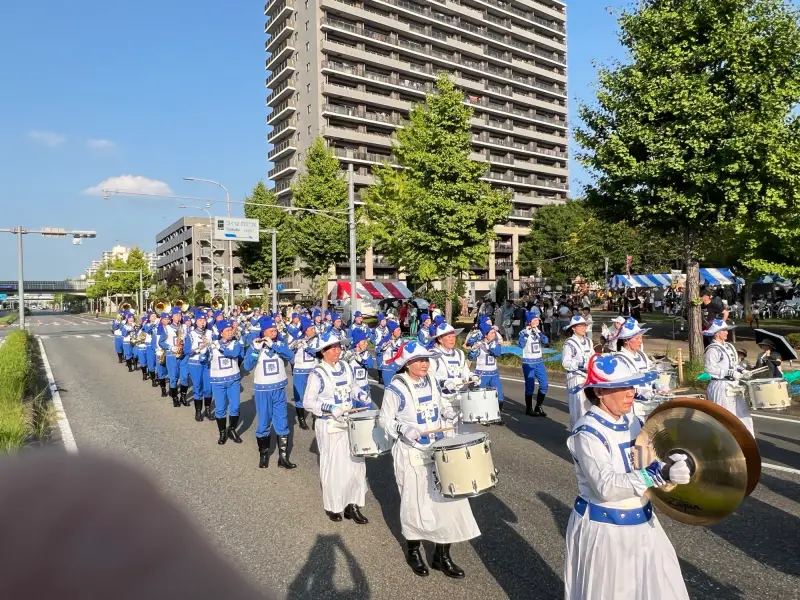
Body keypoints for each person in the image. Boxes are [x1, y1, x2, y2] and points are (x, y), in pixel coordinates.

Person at [565, 353, 691, 600]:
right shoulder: (587, 433)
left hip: (643, 521)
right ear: (599, 392)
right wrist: (657, 473)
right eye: (622, 387)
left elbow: (648, 461)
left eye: (632, 385)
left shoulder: (633, 420)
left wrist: (671, 466)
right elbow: (606, 487)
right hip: (606, 530)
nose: (630, 392)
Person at [379, 342, 480, 578]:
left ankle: (442, 556)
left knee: (448, 500)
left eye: (426, 359)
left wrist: (448, 412)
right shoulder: (396, 387)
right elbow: (384, 419)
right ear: (407, 364)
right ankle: (413, 550)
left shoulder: (432, 380)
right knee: (414, 503)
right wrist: (402, 428)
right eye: (419, 360)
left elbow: (441, 404)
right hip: (411, 452)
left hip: (437, 449)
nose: (424, 364)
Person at [302, 331, 373, 523]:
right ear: (323, 352)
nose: (337, 351)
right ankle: (334, 506)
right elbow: (308, 402)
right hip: (329, 424)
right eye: (332, 348)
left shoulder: (346, 366)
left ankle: (353, 505)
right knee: (334, 466)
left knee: (356, 464)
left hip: (349, 421)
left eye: (338, 347)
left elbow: (353, 386)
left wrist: (361, 395)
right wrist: (329, 407)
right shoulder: (317, 373)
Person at [243, 316, 297, 470]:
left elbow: (291, 356)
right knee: (264, 421)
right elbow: (247, 366)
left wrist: (274, 345)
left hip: (279, 388)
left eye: (275, 330)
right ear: (263, 331)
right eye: (271, 330)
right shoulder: (255, 345)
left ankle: (283, 458)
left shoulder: (280, 343)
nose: (274, 332)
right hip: (263, 390)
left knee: (282, 421)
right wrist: (255, 350)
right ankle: (264, 455)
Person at [704, 319, 755, 436]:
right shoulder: (712, 350)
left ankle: (747, 441)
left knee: (743, 414)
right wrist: (730, 373)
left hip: (734, 385)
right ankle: (725, 443)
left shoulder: (729, 347)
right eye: (724, 330)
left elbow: (734, 365)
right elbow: (710, 369)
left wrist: (743, 371)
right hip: (720, 386)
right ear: (717, 333)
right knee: (725, 417)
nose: (727, 332)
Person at [209, 320, 244, 445]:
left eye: (231, 330)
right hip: (218, 381)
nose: (230, 332)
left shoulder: (236, 343)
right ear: (221, 333)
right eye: (227, 330)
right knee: (220, 408)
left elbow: (234, 353)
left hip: (233, 379)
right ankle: (222, 432)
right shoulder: (212, 344)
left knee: (235, 407)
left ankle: (232, 429)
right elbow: (204, 358)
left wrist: (219, 347)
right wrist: (203, 350)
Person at [430, 322, 477, 409]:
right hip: (443, 401)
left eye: (453, 336)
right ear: (440, 339)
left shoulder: (459, 353)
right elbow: (429, 377)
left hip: (460, 398)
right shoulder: (433, 355)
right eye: (449, 337)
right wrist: (444, 382)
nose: (452, 339)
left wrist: (472, 376)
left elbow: (465, 371)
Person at [468, 320, 505, 424]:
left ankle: (496, 416)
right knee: (482, 397)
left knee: (500, 396)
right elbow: (470, 357)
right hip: (482, 374)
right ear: (485, 335)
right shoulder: (479, 344)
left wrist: (487, 345)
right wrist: (474, 349)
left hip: (494, 374)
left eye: (494, 332)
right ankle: (483, 417)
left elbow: (497, 353)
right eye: (491, 333)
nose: (494, 334)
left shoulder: (495, 343)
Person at [562, 315, 594, 429]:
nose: (583, 328)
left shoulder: (588, 341)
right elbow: (565, 363)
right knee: (578, 410)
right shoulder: (569, 343)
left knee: (589, 408)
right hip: (575, 378)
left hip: (589, 378)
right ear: (573, 328)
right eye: (580, 326)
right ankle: (576, 434)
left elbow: (592, 356)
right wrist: (581, 365)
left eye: (584, 325)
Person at [519, 309, 549, 417]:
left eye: (538, 320)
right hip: (528, 362)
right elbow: (521, 345)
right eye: (535, 320)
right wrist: (527, 334)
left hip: (539, 361)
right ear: (529, 321)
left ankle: (538, 406)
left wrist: (539, 332)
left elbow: (546, 341)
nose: (537, 322)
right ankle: (529, 408)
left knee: (544, 384)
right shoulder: (523, 332)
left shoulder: (539, 332)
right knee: (530, 386)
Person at [185, 310, 214, 422]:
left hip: (207, 363)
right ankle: (198, 411)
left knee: (208, 388)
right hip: (195, 363)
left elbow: (214, 346)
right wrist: (198, 349)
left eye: (204, 320)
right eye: (200, 320)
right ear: (196, 322)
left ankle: (207, 410)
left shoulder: (210, 333)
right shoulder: (191, 334)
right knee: (197, 387)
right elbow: (186, 351)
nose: (203, 322)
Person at [291, 317, 318, 431]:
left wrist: (307, 347)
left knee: (315, 394)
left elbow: (318, 353)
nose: (314, 330)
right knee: (300, 395)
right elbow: (288, 353)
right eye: (311, 329)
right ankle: (301, 419)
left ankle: (316, 418)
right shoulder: (298, 340)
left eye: (314, 328)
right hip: (299, 371)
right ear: (306, 330)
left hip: (313, 370)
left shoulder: (317, 340)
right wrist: (294, 345)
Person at [347, 329, 374, 394]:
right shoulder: (348, 353)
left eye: (366, 342)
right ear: (357, 344)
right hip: (352, 387)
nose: (366, 344)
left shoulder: (367, 354)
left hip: (364, 386)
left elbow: (370, 365)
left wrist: (361, 360)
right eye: (364, 342)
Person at [379, 320, 404, 386]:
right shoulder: (385, 340)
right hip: (388, 369)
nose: (400, 332)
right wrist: (387, 344)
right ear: (392, 332)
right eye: (398, 330)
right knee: (388, 388)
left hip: (398, 369)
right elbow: (379, 351)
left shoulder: (401, 341)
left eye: (400, 330)